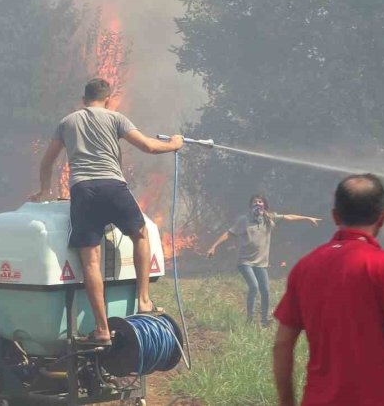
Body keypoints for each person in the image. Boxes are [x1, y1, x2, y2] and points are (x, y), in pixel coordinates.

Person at [30, 78, 184, 346]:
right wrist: (174, 144)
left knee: (90, 261)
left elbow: (47, 161)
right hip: (113, 186)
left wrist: (44, 190)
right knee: (140, 234)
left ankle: (101, 329)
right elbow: (148, 146)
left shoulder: (67, 122)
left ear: (83, 99)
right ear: (108, 99)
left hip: (83, 190)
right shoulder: (115, 118)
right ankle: (144, 300)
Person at [272, 174, 384, 406]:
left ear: (335, 216)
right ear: (382, 218)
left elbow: (282, 344)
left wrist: (286, 402)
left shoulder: (305, 266)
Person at [205, 193, 320, 326]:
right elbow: (228, 233)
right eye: (255, 202)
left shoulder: (269, 218)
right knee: (254, 287)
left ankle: (264, 320)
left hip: (261, 263)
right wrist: (213, 246)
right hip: (245, 261)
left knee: (265, 290)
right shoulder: (244, 220)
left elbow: (289, 217)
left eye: (260, 202)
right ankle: (250, 319)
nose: (257, 204)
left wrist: (307, 218)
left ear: (264, 205)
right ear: (251, 206)